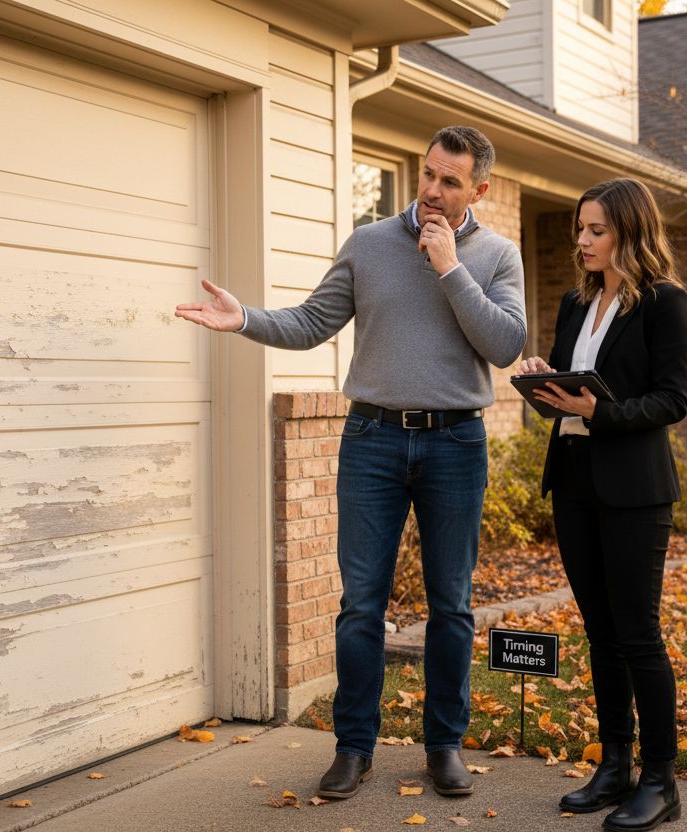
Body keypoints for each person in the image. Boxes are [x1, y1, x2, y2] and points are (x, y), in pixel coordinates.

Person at [175, 127, 526, 799]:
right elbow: (312, 323)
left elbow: (505, 345)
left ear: (477, 190)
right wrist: (243, 317)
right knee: (360, 605)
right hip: (373, 440)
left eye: (450, 182)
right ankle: (353, 747)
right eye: (428, 174)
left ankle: (444, 745)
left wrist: (450, 268)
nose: (431, 190)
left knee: (451, 607)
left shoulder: (497, 256)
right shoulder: (370, 244)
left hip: (456, 444)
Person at [516, 178, 687, 831]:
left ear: (628, 232)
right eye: (580, 230)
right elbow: (575, 392)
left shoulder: (663, 304)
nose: (583, 241)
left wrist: (604, 410)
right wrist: (547, 386)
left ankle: (660, 780)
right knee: (600, 634)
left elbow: (673, 399)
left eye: (595, 230)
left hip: (635, 491)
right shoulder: (575, 304)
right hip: (574, 481)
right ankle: (614, 765)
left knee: (638, 635)